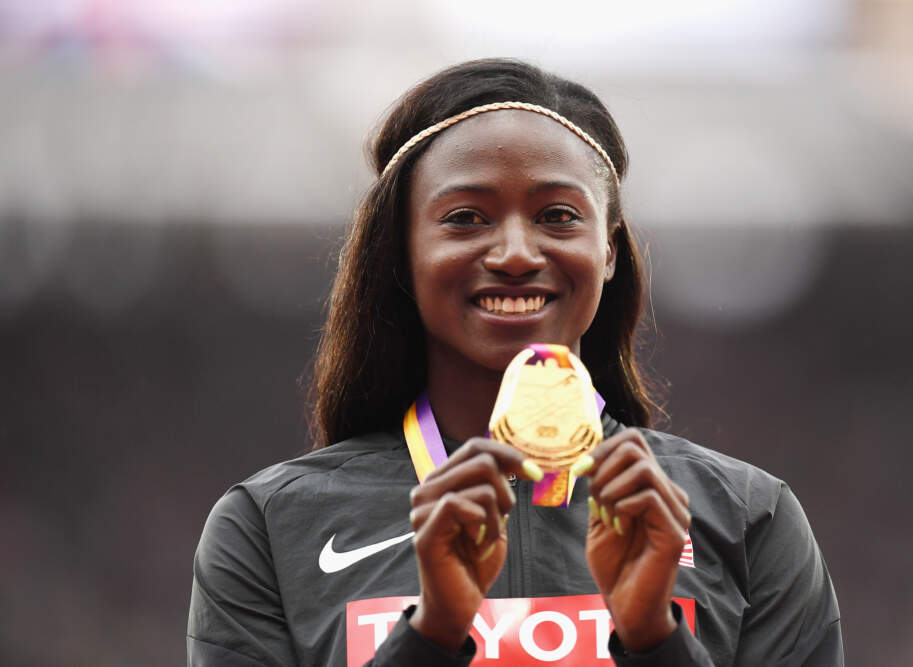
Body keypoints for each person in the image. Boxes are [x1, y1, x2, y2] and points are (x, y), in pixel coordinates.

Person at [187, 59, 843, 666]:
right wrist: (434, 631)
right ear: (400, 254)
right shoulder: (269, 528)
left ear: (608, 250)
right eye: (466, 218)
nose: (515, 252)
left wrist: (652, 636)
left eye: (558, 215)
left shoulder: (748, 519)